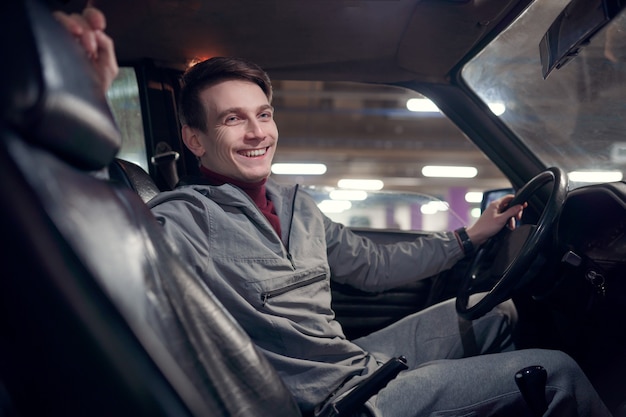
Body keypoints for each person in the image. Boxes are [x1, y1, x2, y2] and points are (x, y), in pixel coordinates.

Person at [56, 7, 613, 417]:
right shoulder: (181, 220)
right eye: (232, 120)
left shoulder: (296, 203)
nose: (257, 133)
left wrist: (469, 237)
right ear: (194, 140)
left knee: (501, 314)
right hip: (327, 401)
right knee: (559, 373)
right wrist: (86, 100)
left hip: (351, 358)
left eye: (264, 114)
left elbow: (371, 265)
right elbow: (98, 240)